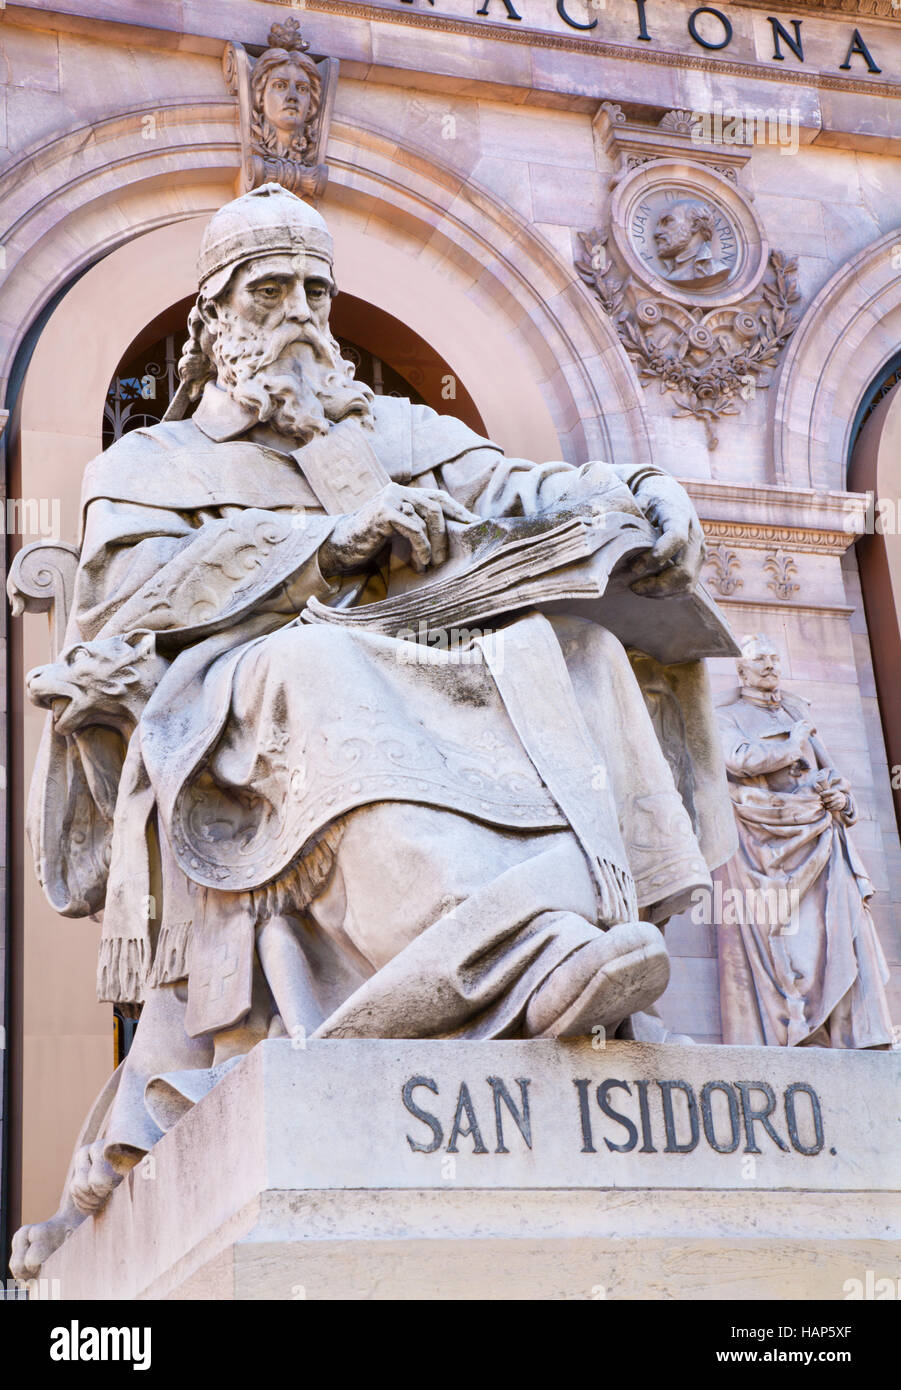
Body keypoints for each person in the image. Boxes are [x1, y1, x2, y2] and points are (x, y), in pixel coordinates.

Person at [11, 183, 734, 1278]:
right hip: (231, 689)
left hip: (422, 649)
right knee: (320, 660)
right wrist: (322, 549)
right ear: (214, 320)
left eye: (315, 287)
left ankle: (573, 942)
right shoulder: (147, 465)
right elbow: (124, 611)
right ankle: (505, 951)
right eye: (271, 289)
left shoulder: (391, 429)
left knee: (574, 653)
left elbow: (523, 486)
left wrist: (635, 489)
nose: (300, 310)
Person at [716, 634, 894, 1049]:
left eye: (775, 658)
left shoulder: (797, 710)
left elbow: (831, 773)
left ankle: (860, 1034)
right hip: (771, 849)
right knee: (801, 948)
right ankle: (806, 1032)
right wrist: (792, 743)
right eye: (760, 660)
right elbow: (739, 760)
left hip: (823, 839)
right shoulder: (728, 715)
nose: (770, 665)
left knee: (846, 930)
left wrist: (842, 799)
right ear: (741, 670)